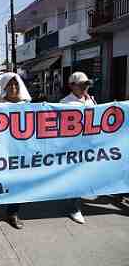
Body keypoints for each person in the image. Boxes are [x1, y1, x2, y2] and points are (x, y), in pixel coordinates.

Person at [0, 72, 32, 229]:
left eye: (16, 84)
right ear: (4, 87)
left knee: (18, 182)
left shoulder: (27, 105)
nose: (14, 88)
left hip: (20, 151)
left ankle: (13, 213)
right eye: (10, 85)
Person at [60, 71, 96, 224]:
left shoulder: (91, 101)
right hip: (72, 147)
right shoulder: (64, 103)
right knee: (73, 177)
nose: (84, 88)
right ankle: (73, 208)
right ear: (71, 86)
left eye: (86, 84)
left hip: (89, 145)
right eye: (81, 85)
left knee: (83, 176)